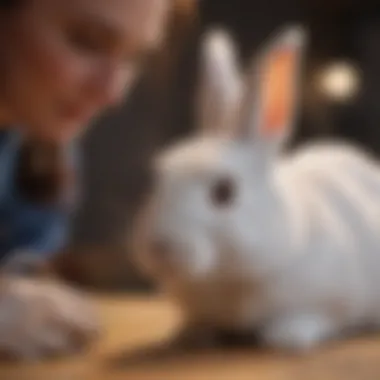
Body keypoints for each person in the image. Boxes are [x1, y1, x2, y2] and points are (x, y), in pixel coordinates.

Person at [0, 0, 171, 360]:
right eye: (87, 41)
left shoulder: (40, 154)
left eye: (135, 60)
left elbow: (24, 271)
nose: (112, 94)